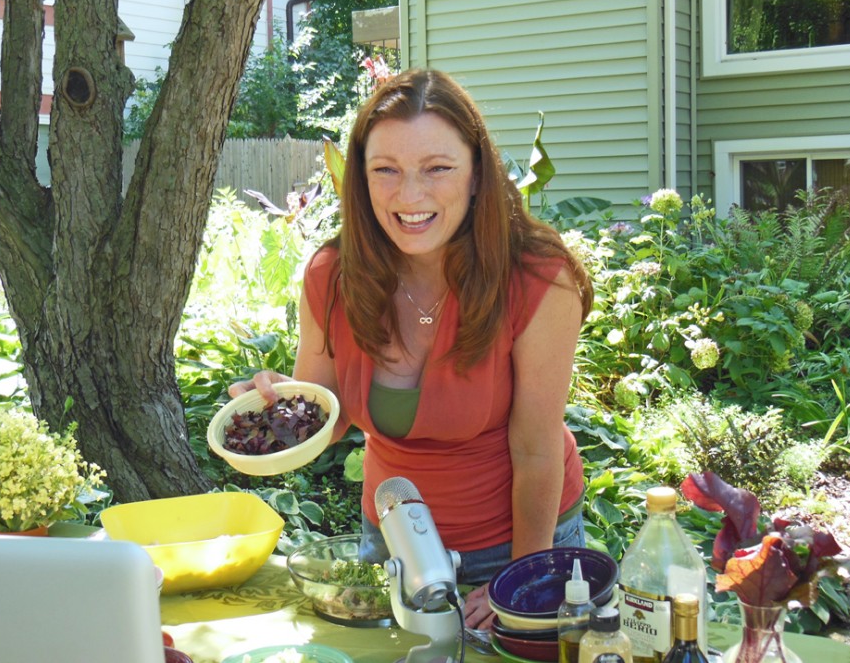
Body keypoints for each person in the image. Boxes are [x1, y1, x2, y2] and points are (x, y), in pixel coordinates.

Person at [228, 69, 593, 628]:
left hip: (519, 544)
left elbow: (537, 449)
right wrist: (275, 412)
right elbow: (330, 412)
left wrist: (522, 579)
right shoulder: (332, 275)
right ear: (362, 178)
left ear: (476, 175)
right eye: (386, 171)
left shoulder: (539, 279)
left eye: (437, 169)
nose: (410, 195)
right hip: (395, 543)